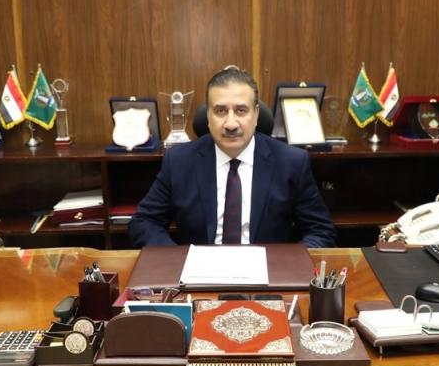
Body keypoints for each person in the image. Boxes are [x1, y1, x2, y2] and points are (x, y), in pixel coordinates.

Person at [128, 66, 336, 248]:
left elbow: (321, 231)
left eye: (241, 110)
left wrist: (285, 263)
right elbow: (144, 222)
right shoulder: (180, 162)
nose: (230, 124)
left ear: (256, 114)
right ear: (208, 116)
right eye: (220, 111)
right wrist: (178, 260)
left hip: (268, 272)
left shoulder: (291, 162)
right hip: (200, 273)